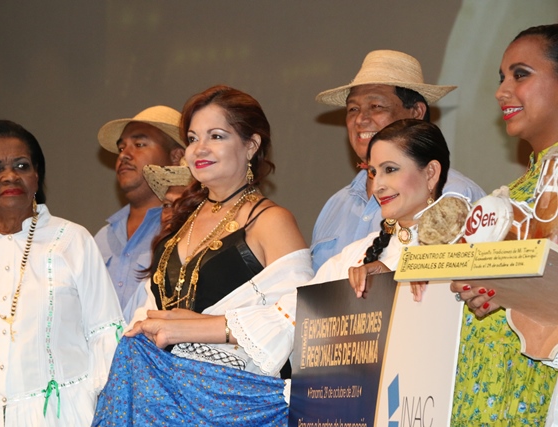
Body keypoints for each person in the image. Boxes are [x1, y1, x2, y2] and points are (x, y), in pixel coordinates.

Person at [92, 85, 313, 426]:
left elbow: (301, 316)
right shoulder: (183, 220)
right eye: (193, 138)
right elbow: (151, 310)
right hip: (161, 402)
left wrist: (191, 328)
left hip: (234, 407)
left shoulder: (270, 220)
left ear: (251, 145)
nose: (200, 148)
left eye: (217, 136)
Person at [0, 120, 124, 426]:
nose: (10, 175)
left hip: (58, 415)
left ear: (36, 177)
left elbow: (105, 336)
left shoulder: (71, 241)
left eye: (21, 165)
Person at [451, 24, 558, 426]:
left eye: (520, 74)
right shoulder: (508, 195)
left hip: (534, 391)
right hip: (481, 391)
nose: (501, 91)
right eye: (502, 78)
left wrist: (517, 290)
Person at [311, 50, 485, 271]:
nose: (360, 119)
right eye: (353, 109)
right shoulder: (336, 205)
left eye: (376, 106)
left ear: (416, 112)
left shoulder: (456, 194)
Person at [307, 119, 449, 302]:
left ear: (431, 173)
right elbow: (302, 309)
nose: (376, 187)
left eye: (390, 169)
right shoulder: (355, 254)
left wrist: (393, 285)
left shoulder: (462, 250)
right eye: (373, 173)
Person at [95, 106, 186, 322]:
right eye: (121, 148)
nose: (124, 155)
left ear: (176, 156)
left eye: (139, 144)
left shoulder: (184, 231)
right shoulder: (101, 238)